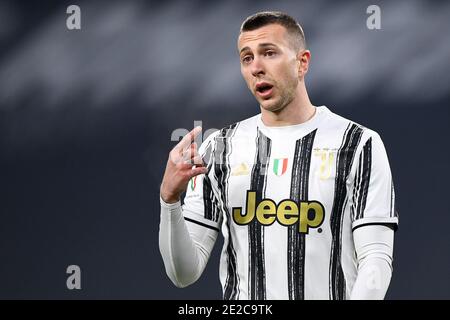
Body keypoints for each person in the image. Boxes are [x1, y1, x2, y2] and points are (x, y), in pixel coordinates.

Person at [158, 11, 398, 300]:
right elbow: (183, 273)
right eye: (247, 58)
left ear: (302, 62)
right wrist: (169, 201)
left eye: (269, 53)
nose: (256, 67)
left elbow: (376, 260)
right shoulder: (219, 148)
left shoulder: (358, 144)